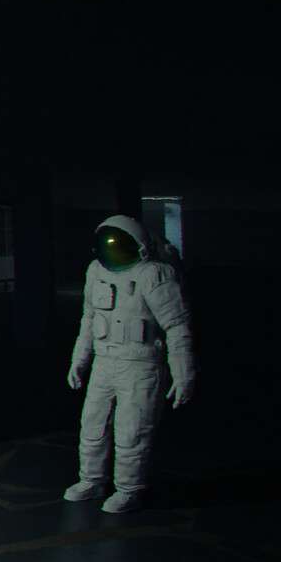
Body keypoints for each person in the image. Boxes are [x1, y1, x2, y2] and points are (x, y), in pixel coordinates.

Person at [63, 214, 196, 513]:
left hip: (141, 365)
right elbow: (89, 318)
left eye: (119, 244)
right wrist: (79, 361)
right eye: (108, 244)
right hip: (104, 362)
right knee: (92, 425)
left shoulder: (155, 274)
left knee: (132, 431)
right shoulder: (96, 271)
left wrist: (183, 375)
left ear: (140, 246)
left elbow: (177, 327)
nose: (113, 249)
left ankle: (129, 489)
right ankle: (91, 480)